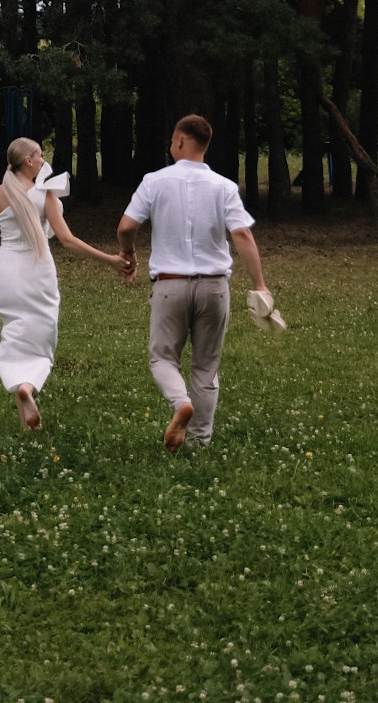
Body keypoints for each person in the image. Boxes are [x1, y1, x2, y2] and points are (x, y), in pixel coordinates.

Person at [116, 112, 278, 450]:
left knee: (162, 358)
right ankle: (200, 443)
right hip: (214, 288)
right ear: (204, 146)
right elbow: (242, 235)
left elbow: (127, 226)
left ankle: (180, 403)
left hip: (169, 285)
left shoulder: (154, 181)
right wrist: (260, 284)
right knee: (205, 368)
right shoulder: (225, 187)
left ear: (179, 141)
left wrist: (128, 253)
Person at [0, 136, 130, 431]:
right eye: (39, 155)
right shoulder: (45, 193)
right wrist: (110, 259)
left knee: (14, 334)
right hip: (38, 270)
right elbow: (67, 240)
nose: (42, 159)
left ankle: (24, 410)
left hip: (7, 272)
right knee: (41, 339)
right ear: (28, 161)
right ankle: (28, 385)